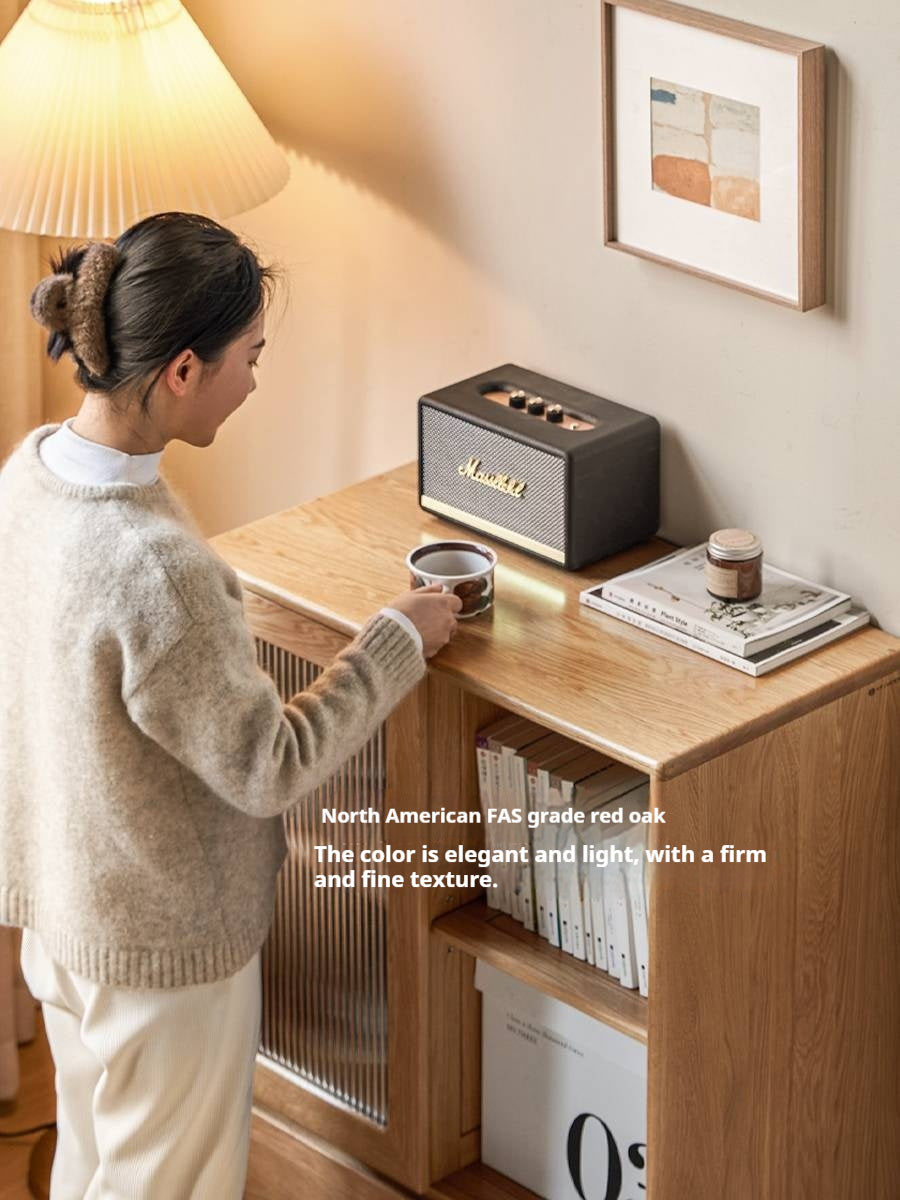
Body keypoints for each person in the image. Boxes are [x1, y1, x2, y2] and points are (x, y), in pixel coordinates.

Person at [0, 211, 462, 1199]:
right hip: (162, 954)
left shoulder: (29, 475)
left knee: (94, 1166)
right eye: (249, 358)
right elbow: (269, 765)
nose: (256, 381)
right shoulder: (157, 567)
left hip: (66, 920)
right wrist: (396, 640)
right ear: (180, 371)